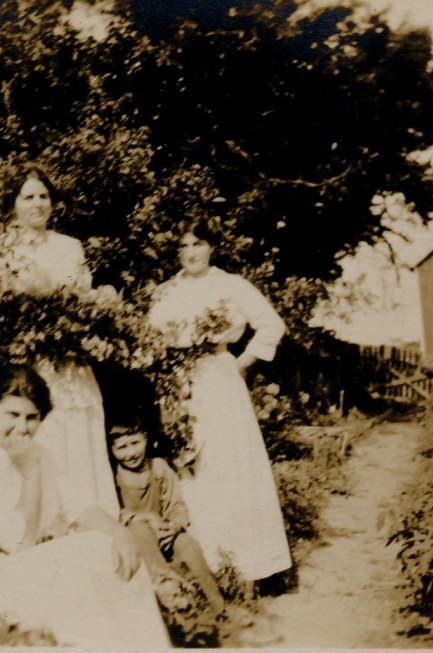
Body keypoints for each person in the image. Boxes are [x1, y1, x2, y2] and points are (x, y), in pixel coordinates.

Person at [0, 364, 171, 647]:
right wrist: (31, 470)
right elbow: (23, 543)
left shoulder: (39, 454)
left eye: (32, 417)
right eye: (13, 415)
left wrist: (120, 533)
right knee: (82, 559)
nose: (22, 427)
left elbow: (77, 503)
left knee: (112, 547)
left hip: (27, 564)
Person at [0, 164, 134, 576]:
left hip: (71, 365)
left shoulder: (70, 247)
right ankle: (46, 555)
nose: (37, 203)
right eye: (28, 196)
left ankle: (100, 555)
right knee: (42, 446)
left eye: (43, 195)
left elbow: (83, 302)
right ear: (13, 204)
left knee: (78, 448)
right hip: (29, 365)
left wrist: (91, 311)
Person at [147, 218, 293, 583]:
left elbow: (272, 324)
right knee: (191, 464)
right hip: (178, 383)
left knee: (229, 463)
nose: (191, 252)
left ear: (211, 246)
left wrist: (240, 362)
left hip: (219, 378)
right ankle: (203, 563)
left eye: (198, 244)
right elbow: (149, 339)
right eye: (184, 246)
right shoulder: (165, 291)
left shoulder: (231, 285)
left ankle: (248, 565)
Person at [108, 420, 226, 616]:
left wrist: (174, 526)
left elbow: (176, 505)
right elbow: (115, 513)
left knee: (188, 544)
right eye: (121, 447)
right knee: (140, 530)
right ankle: (171, 599)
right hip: (136, 538)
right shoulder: (113, 478)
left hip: (164, 532)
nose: (131, 453)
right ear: (112, 449)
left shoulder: (159, 467)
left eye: (135, 443)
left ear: (145, 438)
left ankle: (215, 606)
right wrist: (146, 517)